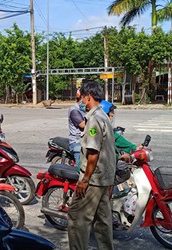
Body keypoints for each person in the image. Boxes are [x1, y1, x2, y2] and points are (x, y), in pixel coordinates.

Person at [67, 82, 116, 250]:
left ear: (89, 97)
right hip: (105, 178)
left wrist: (85, 179)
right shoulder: (104, 116)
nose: (82, 102)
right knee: (103, 221)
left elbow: (93, 153)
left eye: (83, 98)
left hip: (94, 179)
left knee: (77, 217)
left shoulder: (94, 119)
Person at [68, 88, 86, 171]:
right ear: (81, 98)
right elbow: (82, 125)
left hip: (84, 140)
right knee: (80, 170)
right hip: (76, 142)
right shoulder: (74, 110)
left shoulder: (84, 110)